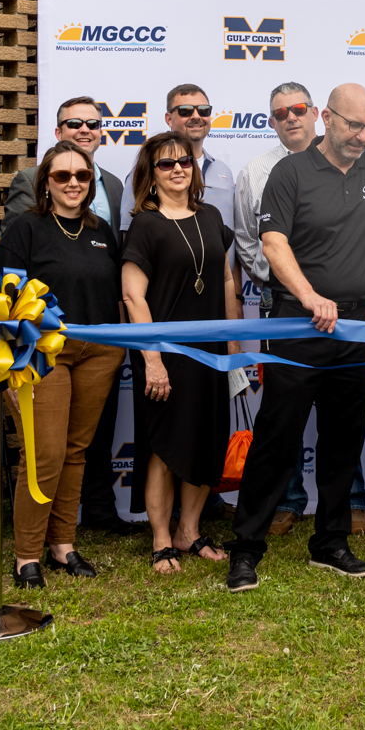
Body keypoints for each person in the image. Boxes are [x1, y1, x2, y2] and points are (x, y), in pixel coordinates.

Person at [227, 83, 365, 592]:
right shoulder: (292, 171)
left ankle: (330, 542)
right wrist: (308, 297)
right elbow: (273, 242)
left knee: (343, 438)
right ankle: (246, 549)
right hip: (299, 322)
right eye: (354, 125)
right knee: (277, 437)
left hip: (353, 326)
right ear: (327, 118)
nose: (363, 135)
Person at [0, 139, 129, 588]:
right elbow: (0, 298)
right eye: (62, 176)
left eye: (82, 176)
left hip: (99, 352)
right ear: (44, 183)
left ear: (92, 182)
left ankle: (62, 545)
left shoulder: (104, 230)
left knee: (74, 452)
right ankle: (26, 555)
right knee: (43, 454)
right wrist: (10, 364)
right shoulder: (26, 230)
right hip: (41, 354)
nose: (73, 183)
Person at [232, 81, 365, 536]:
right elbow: (254, 242)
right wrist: (284, 284)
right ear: (271, 122)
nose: (289, 117)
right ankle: (274, 515)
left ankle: (341, 524)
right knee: (279, 424)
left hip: (349, 319)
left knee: (344, 426)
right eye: (279, 113)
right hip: (288, 307)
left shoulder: (361, 165)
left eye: (297, 109)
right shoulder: (259, 171)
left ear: (317, 114)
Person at [123, 131, 241, 575]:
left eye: (184, 162)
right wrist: (152, 358)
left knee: (205, 440)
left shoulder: (211, 216)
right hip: (164, 354)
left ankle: (189, 532)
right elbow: (134, 298)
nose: (177, 169)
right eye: (166, 164)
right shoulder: (145, 223)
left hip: (210, 352)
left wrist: (232, 343)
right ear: (150, 175)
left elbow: (228, 282)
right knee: (164, 448)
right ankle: (160, 539)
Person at [5, 95, 127, 223]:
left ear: (100, 133)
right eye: (74, 124)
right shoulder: (30, 180)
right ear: (58, 133)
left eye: (93, 124)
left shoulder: (115, 184)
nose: (85, 130)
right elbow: (15, 238)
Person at [151, 83, 235, 240]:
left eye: (203, 110)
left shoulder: (223, 171)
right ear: (169, 119)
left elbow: (233, 234)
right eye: (186, 111)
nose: (196, 116)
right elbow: (131, 235)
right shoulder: (151, 168)